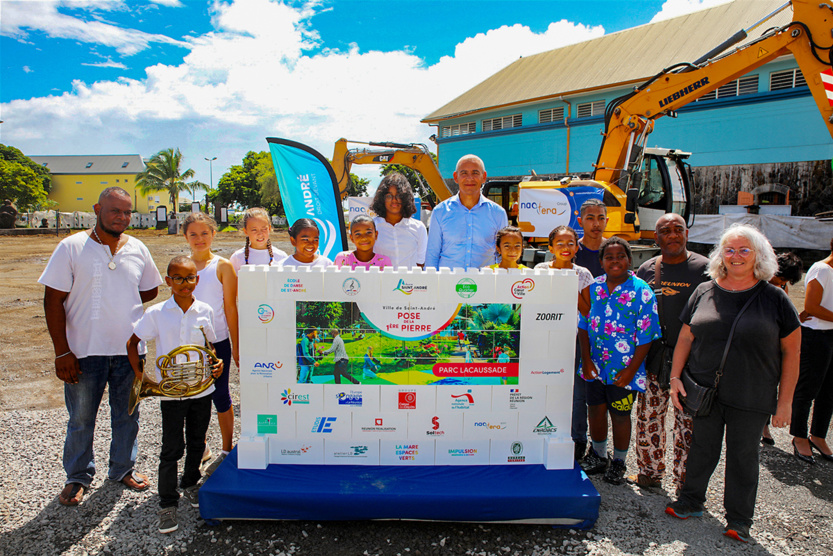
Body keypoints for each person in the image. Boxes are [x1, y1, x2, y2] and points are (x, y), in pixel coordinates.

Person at [666, 224, 800, 544]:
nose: (736, 256)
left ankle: (739, 519)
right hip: (706, 390)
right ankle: (691, 501)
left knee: (743, 457)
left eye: (744, 250)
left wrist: (785, 403)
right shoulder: (704, 291)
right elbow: (686, 337)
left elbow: (793, 352)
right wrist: (675, 377)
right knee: (702, 448)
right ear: (720, 256)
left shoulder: (775, 298)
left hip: (752, 394)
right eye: (729, 249)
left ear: (759, 255)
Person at [39, 187, 163, 506]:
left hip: (130, 353)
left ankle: (122, 468)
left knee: (128, 415)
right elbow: (53, 300)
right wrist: (62, 351)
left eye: (127, 212)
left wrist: (118, 299)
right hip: (83, 352)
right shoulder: (71, 247)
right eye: (115, 211)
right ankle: (78, 476)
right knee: (81, 418)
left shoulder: (137, 247)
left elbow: (149, 291)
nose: (122, 217)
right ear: (97, 209)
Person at [127, 255, 223, 534]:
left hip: (201, 390)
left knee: (197, 441)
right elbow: (133, 343)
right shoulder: (156, 313)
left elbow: (209, 347)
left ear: (197, 279)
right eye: (178, 278)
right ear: (168, 281)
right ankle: (167, 503)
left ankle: (190, 483)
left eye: (190, 277)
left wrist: (216, 363)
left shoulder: (205, 310)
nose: (185, 283)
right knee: (171, 449)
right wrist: (141, 376)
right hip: (171, 394)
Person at [630, 214, 708, 493]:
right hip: (655, 359)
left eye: (678, 230)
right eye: (666, 231)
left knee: (688, 425)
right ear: (656, 238)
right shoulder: (648, 269)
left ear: (687, 233)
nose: (673, 235)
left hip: (692, 364)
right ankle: (649, 473)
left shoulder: (706, 269)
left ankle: (685, 481)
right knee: (649, 417)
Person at [578, 237, 660, 485]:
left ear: (629, 259)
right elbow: (583, 326)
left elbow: (647, 337)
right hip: (595, 366)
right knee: (596, 409)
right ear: (601, 262)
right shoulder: (593, 288)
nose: (615, 261)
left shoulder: (642, 291)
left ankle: (619, 462)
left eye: (620, 256)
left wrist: (631, 371)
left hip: (625, 370)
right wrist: (587, 361)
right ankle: (599, 455)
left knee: (621, 415)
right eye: (609, 257)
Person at [183, 212, 238, 475]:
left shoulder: (223, 266)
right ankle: (202, 446)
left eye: (205, 233)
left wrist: (235, 346)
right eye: (193, 234)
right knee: (193, 398)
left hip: (218, 344)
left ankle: (227, 448)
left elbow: (230, 308)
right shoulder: (181, 267)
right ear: (185, 237)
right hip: (189, 346)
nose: (199, 239)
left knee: (220, 395)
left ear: (214, 234)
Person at [535, 225, 594, 459]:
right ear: (550, 248)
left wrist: (571, 285)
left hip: (574, 340)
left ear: (577, 247)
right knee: (543, 385)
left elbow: (587, 311)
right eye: (559, 243)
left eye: (570, 243)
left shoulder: (583, 274)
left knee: (577, 391)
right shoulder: (540, 270)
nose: (565, 248)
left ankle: (578, 437)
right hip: (545, 337)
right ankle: (539, 432)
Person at [425, 155, 508, 269]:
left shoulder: (498, 214)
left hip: (484, 283)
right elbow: (432, 255)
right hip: (447, 283)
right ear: (456, 177)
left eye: (475, 173)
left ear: (484, 177)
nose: (470, 178)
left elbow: (502, 256)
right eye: (464, 173)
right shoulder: (440, 212)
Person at [791, 242, 833, 464]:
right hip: (816, 336)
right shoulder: (821, 269)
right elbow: (813, 306)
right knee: (807, 388)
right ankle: (799, 436)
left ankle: (818, 435)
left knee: (829, 391)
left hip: (831, 334)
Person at [761, 251, 803, 445]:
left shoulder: (780, 288)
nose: (780, 283)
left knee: (769, 385)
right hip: (755, 342)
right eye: (780, 278)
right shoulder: (757, 281)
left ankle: (764, 425)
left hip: (772, 344)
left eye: (785, 281)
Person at [371, 173, 428, 269]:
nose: (394, 200)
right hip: (380, 282)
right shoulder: (372, 227)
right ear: (382, 199)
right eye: (389, 196)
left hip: (409, 283)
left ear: (406, 198)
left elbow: (420, 263)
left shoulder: (419, 228)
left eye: (399, 196)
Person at [229, 207, 288, 271]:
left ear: (269, 228)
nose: (260, 234)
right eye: (254, 230)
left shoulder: (281, 257)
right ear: (245, 231)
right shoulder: (237, 257)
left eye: (264, 229)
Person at [574, 198, 607, 278]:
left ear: (607, 221)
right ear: (580, 222)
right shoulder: (572, 251)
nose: (596, 224)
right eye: (590, 218)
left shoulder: (616, 250)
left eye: (601, 218)